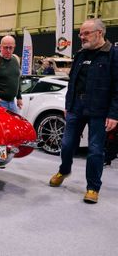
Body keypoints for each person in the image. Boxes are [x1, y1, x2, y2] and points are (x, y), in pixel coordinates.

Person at [49, 18, 118, 204]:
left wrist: (114, 114)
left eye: (86, 33)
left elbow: (117, 88)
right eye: (80, 33)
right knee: (67, 144)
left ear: (100, 33)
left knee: (95, 150)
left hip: (100, 111)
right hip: (76, 108)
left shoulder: (113, 54)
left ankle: (93, 188)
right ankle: (64, 170)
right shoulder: (80, 54)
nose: (82, 37)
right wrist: (68, 105)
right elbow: (72, 82)